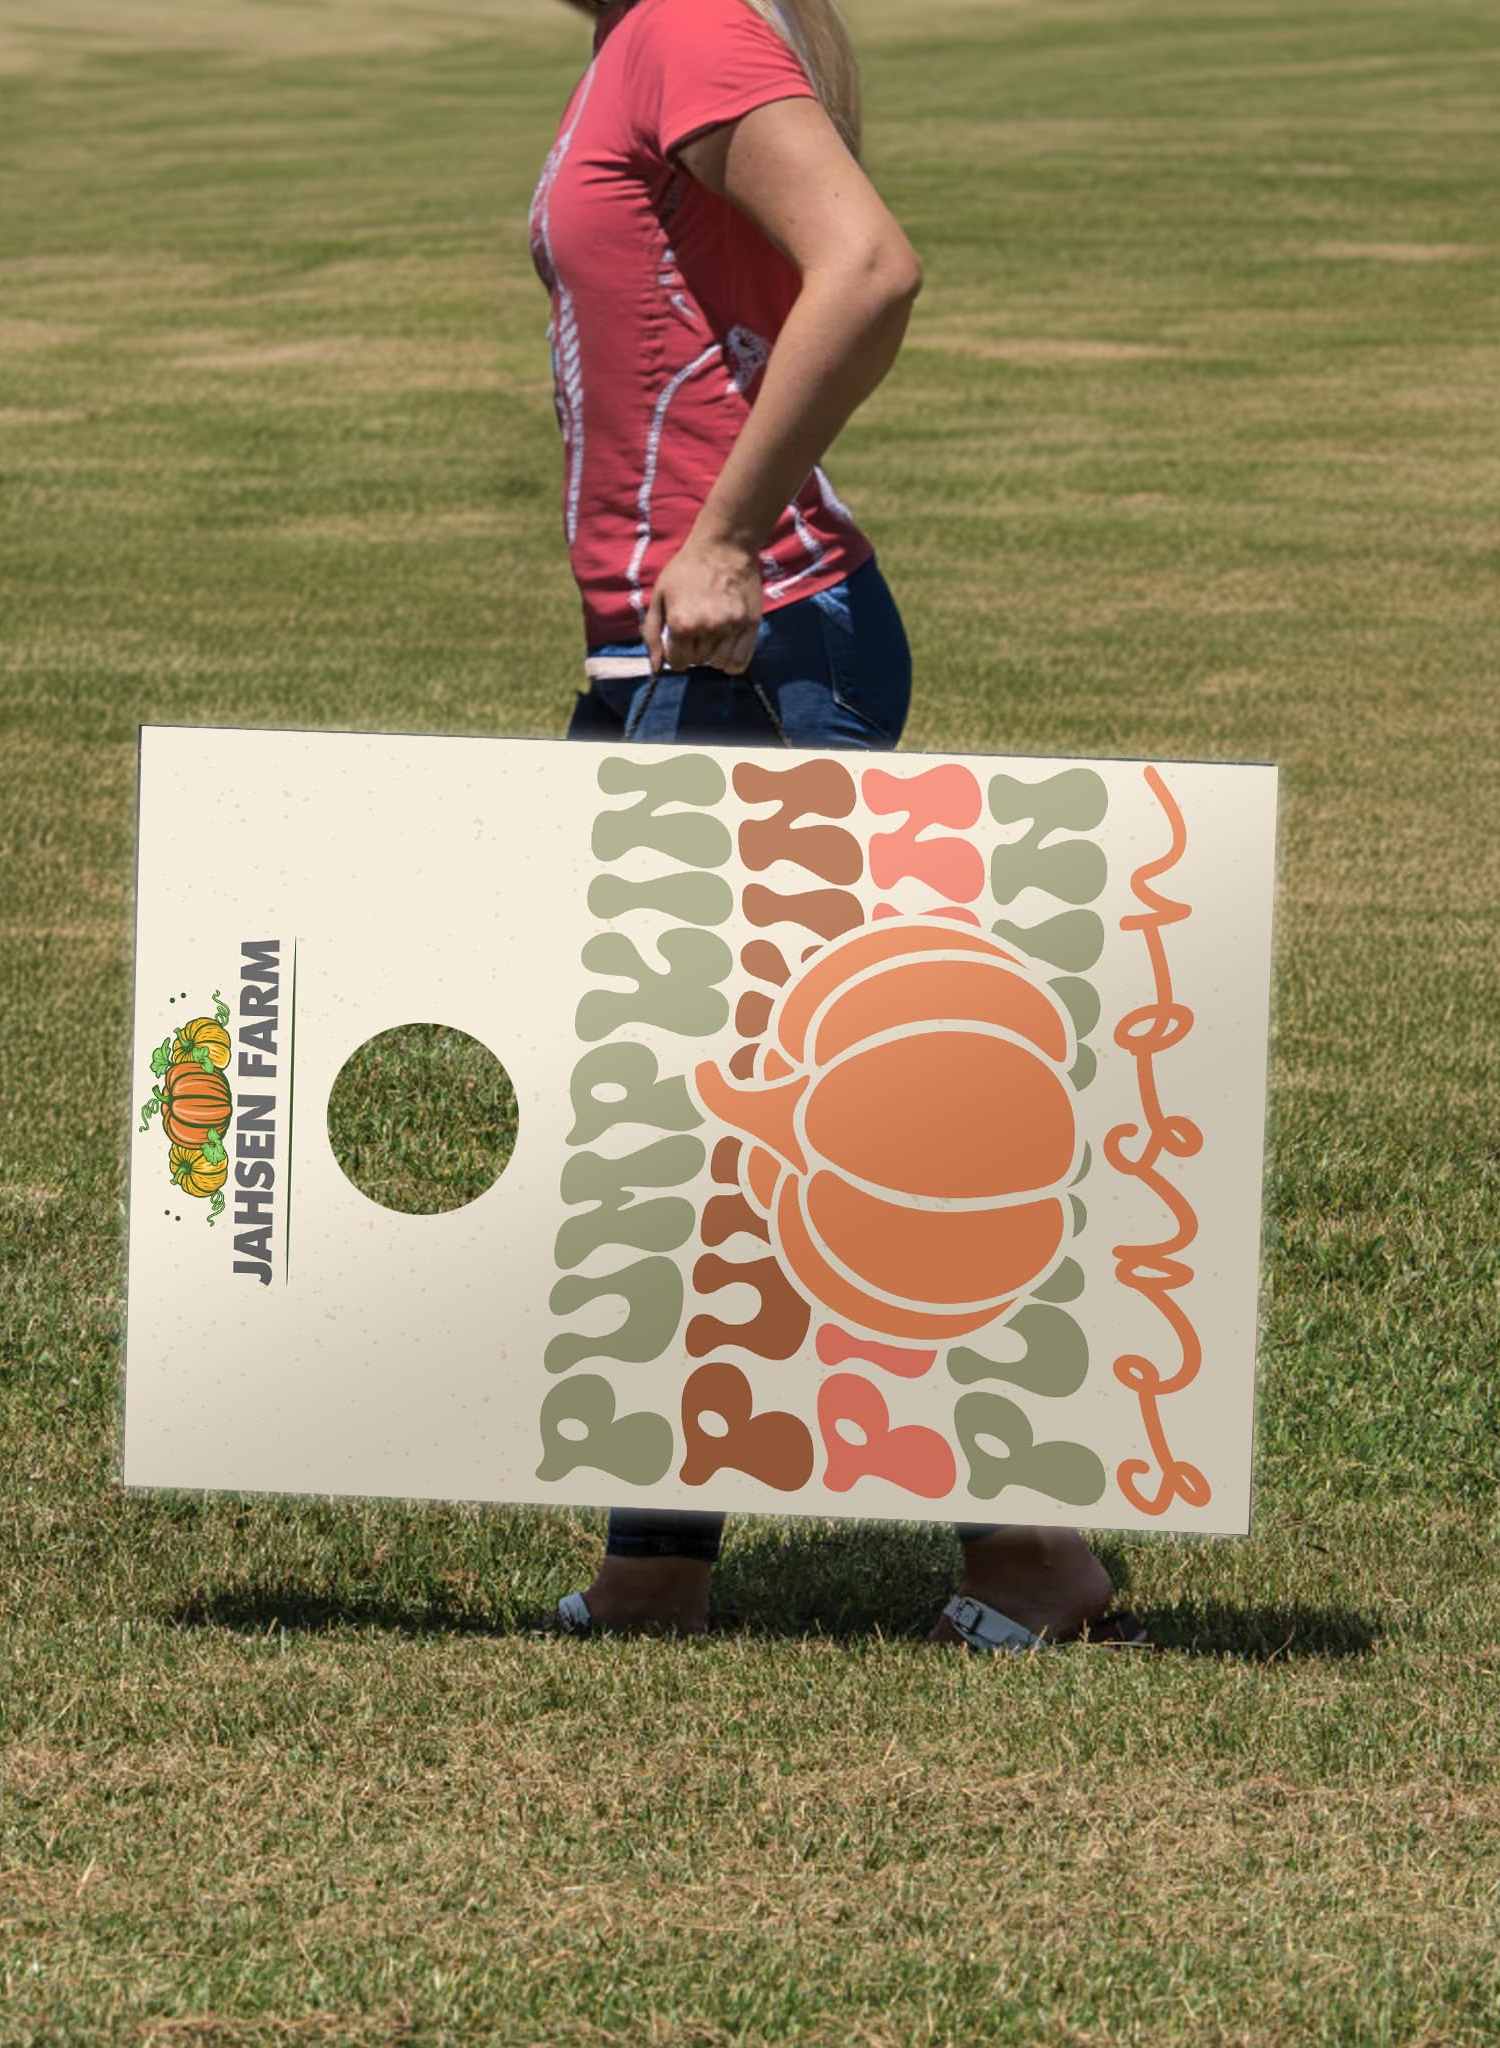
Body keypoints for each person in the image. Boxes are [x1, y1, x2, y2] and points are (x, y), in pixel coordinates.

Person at [535, 0, 1145, 1650]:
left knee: (822, 1125)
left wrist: (723, 535)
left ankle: (1032, 1548)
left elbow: (868, 267)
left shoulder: (681, 24)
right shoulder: (640, 39)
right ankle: (656, 1571)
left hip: (747, 646)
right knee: (692, 1132)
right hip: (687, 649)